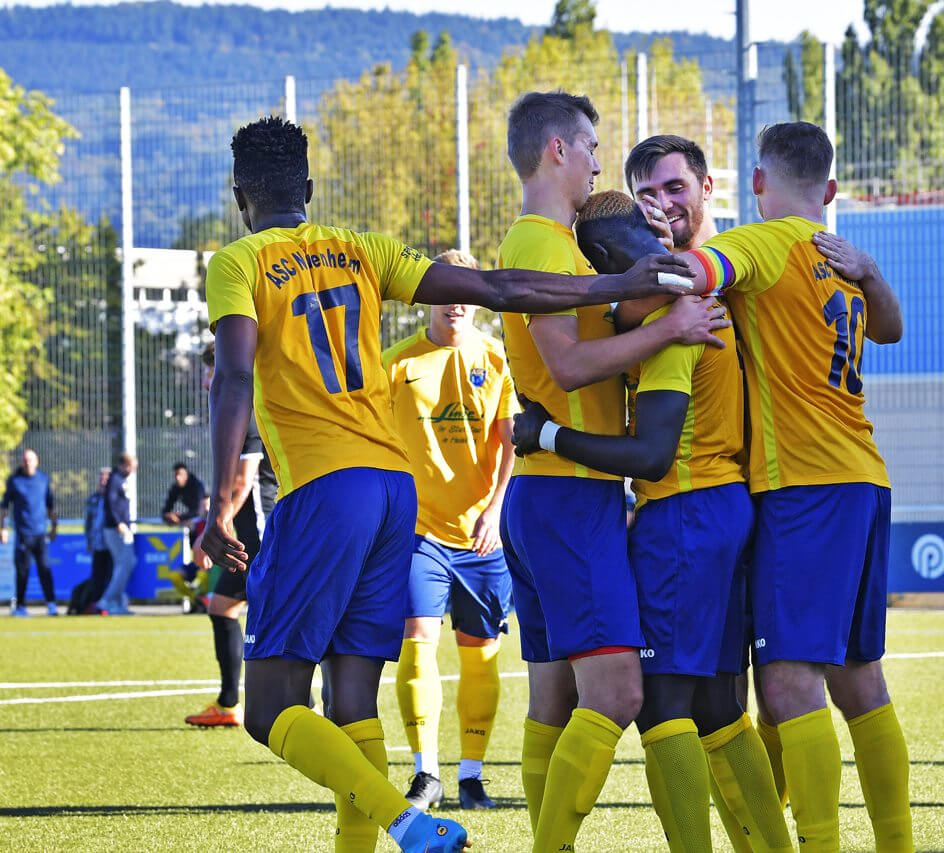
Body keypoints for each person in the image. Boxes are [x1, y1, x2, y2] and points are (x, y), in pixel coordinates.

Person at [199, 116, 697, 853]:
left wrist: (218, 502)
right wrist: (619, 280)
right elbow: (499, 287)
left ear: (240, 195)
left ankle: (405, 820)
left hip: (322, 487)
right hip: (393, 492)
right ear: (309, 189)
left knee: (271, 706)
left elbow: (235, 372)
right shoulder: (361, 249)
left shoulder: (237, 262)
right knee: (352, 703)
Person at [616, 121, 911, 852]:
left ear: (748, 184)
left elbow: (693, 275)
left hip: (802, 487)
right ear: (833, 191)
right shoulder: (835, 256)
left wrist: (628, 246)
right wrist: (871, 273)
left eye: (673, 190)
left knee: (785, 687)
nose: (663, 202)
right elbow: (893, 330)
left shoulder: (758, 242)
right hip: (861, 476)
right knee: (857, 679)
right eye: (646, 194)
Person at [516, 185, 793, 853]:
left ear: (616, 258)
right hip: (718, 509)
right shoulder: (689, 300)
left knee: (664, 708)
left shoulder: (678, 315)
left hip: (685, 516)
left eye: (600, 276)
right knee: (721, 708)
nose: (602, 298)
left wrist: (548, 435)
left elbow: (651, 451)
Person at [495, 92, 729, 853]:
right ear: (557, 149)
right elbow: (566, 364)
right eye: (592, 145)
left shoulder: (563, 244)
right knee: (623, 691)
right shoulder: (538, 243)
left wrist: (656, 279)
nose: (601, 160)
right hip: (568, 495)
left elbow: (616, 317)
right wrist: (676, 325)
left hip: (548, 492)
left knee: (554, 698)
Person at [383, 249, 518, 811]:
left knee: (480, 653)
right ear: (428, 296)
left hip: (483, 533)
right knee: (418, 639)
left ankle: (471, 774)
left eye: (468, 290)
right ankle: (426, 772)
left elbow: (511, 442)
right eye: (447, 289)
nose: (457, 301)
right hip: (418, 534)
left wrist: (494, 510)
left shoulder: (496, 358)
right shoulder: (395, 363)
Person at [185, 340, 278, 728]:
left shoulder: (248, 412)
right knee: (229, 607)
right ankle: (232, 704)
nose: (209, 378)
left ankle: (295, 702)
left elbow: (243, 484)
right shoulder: (242, 410)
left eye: (211, 370)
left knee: (263, 613)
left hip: (256, 532)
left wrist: (213, 526)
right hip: (249, 531)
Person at [1, 449, 58, 617]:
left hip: (40, 534)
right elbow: (4, 507)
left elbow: (51, 506)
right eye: (25, 460)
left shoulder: (43, 479)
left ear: (37, 461)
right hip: (23, 534)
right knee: (22, 571)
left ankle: (52, 604)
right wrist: (2, 528)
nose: (27, 462)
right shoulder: (15, 480)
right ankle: (20, 606)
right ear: (21, 462)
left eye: (30, 459)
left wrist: (54, 527)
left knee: (45, 569)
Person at [96, 453, 138, 616]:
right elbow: (111, 504)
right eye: (131, 467)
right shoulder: (115, 480)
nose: (133, 471)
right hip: (115, 529)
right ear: (123, 465)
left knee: (124, 565)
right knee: (126, 563)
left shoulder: (121, 480)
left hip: (122, 528)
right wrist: (118, 523)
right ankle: (107, 599)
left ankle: (118, 603)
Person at [79, 467, 113, 614]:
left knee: (111, 575)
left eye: (106, 478)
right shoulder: (93, 499)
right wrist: (89, 541)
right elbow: (88, 523)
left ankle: (109, 605)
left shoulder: (115, 498)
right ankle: (96, 605)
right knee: (98, 576)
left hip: (113, 544)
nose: (103, 481)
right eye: (101, 478)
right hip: (98, 544)